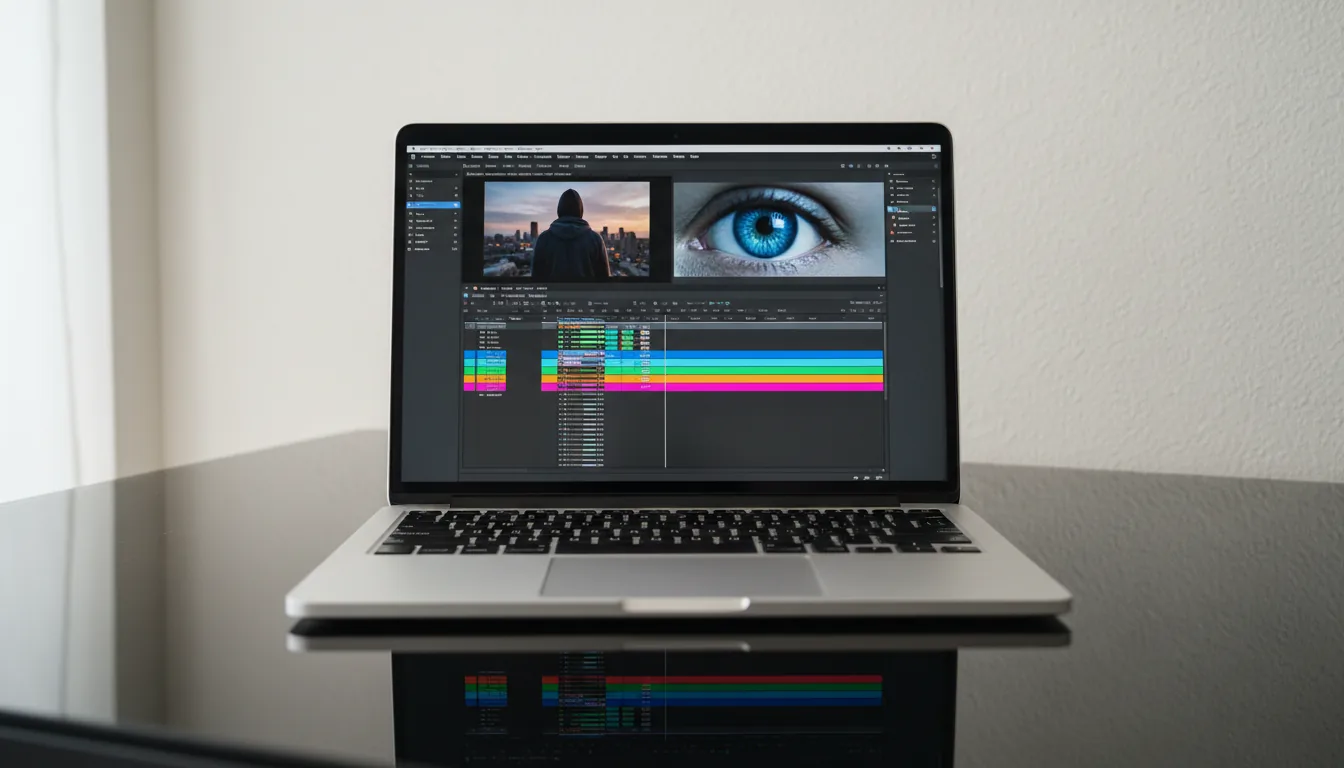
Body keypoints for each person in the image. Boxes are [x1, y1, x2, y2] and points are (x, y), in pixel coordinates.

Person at [530, 189, 611, 280]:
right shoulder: (595, 240)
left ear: (559, 210)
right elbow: (605, 280)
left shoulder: (543, 239)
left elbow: (535, 279)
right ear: (580, 210)